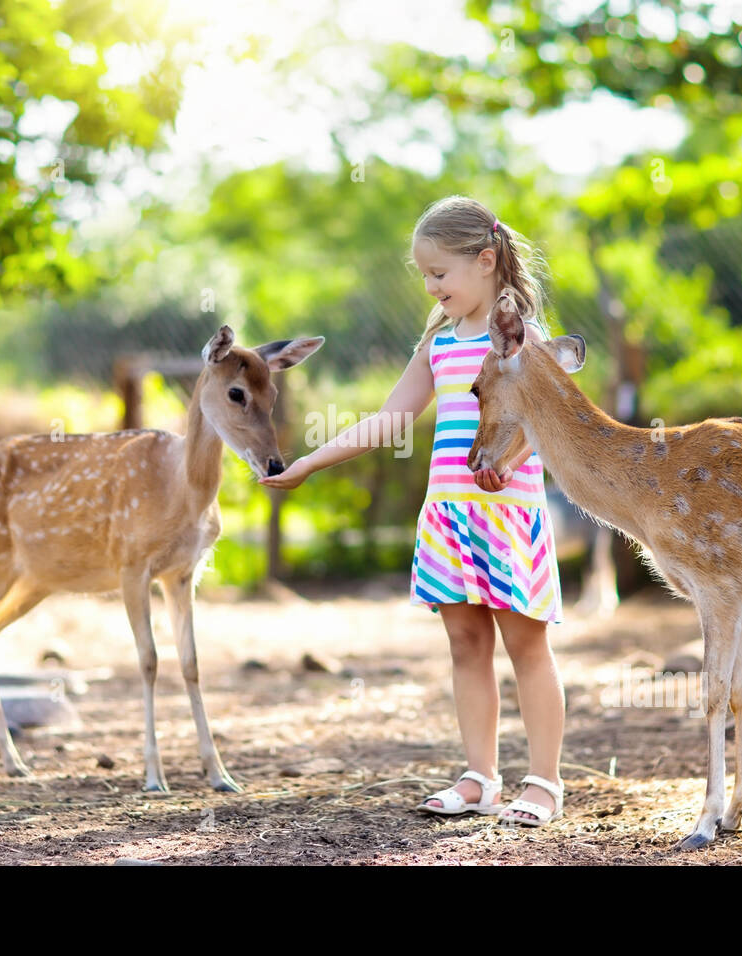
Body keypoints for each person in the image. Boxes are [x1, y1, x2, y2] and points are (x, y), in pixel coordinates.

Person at [258, 196, 566, 826]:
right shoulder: (438, 344)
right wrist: (310, 464)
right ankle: (481, 777)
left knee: (526, 646)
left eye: (439, 273)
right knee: (464, 643)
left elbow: (546, 417)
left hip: (508, 514)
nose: (430, 286)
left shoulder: (519, 339)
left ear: (485, 262)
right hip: (450, 515)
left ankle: (544, 783)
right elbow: (390, 417)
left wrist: (506, 463)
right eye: (423, 275)